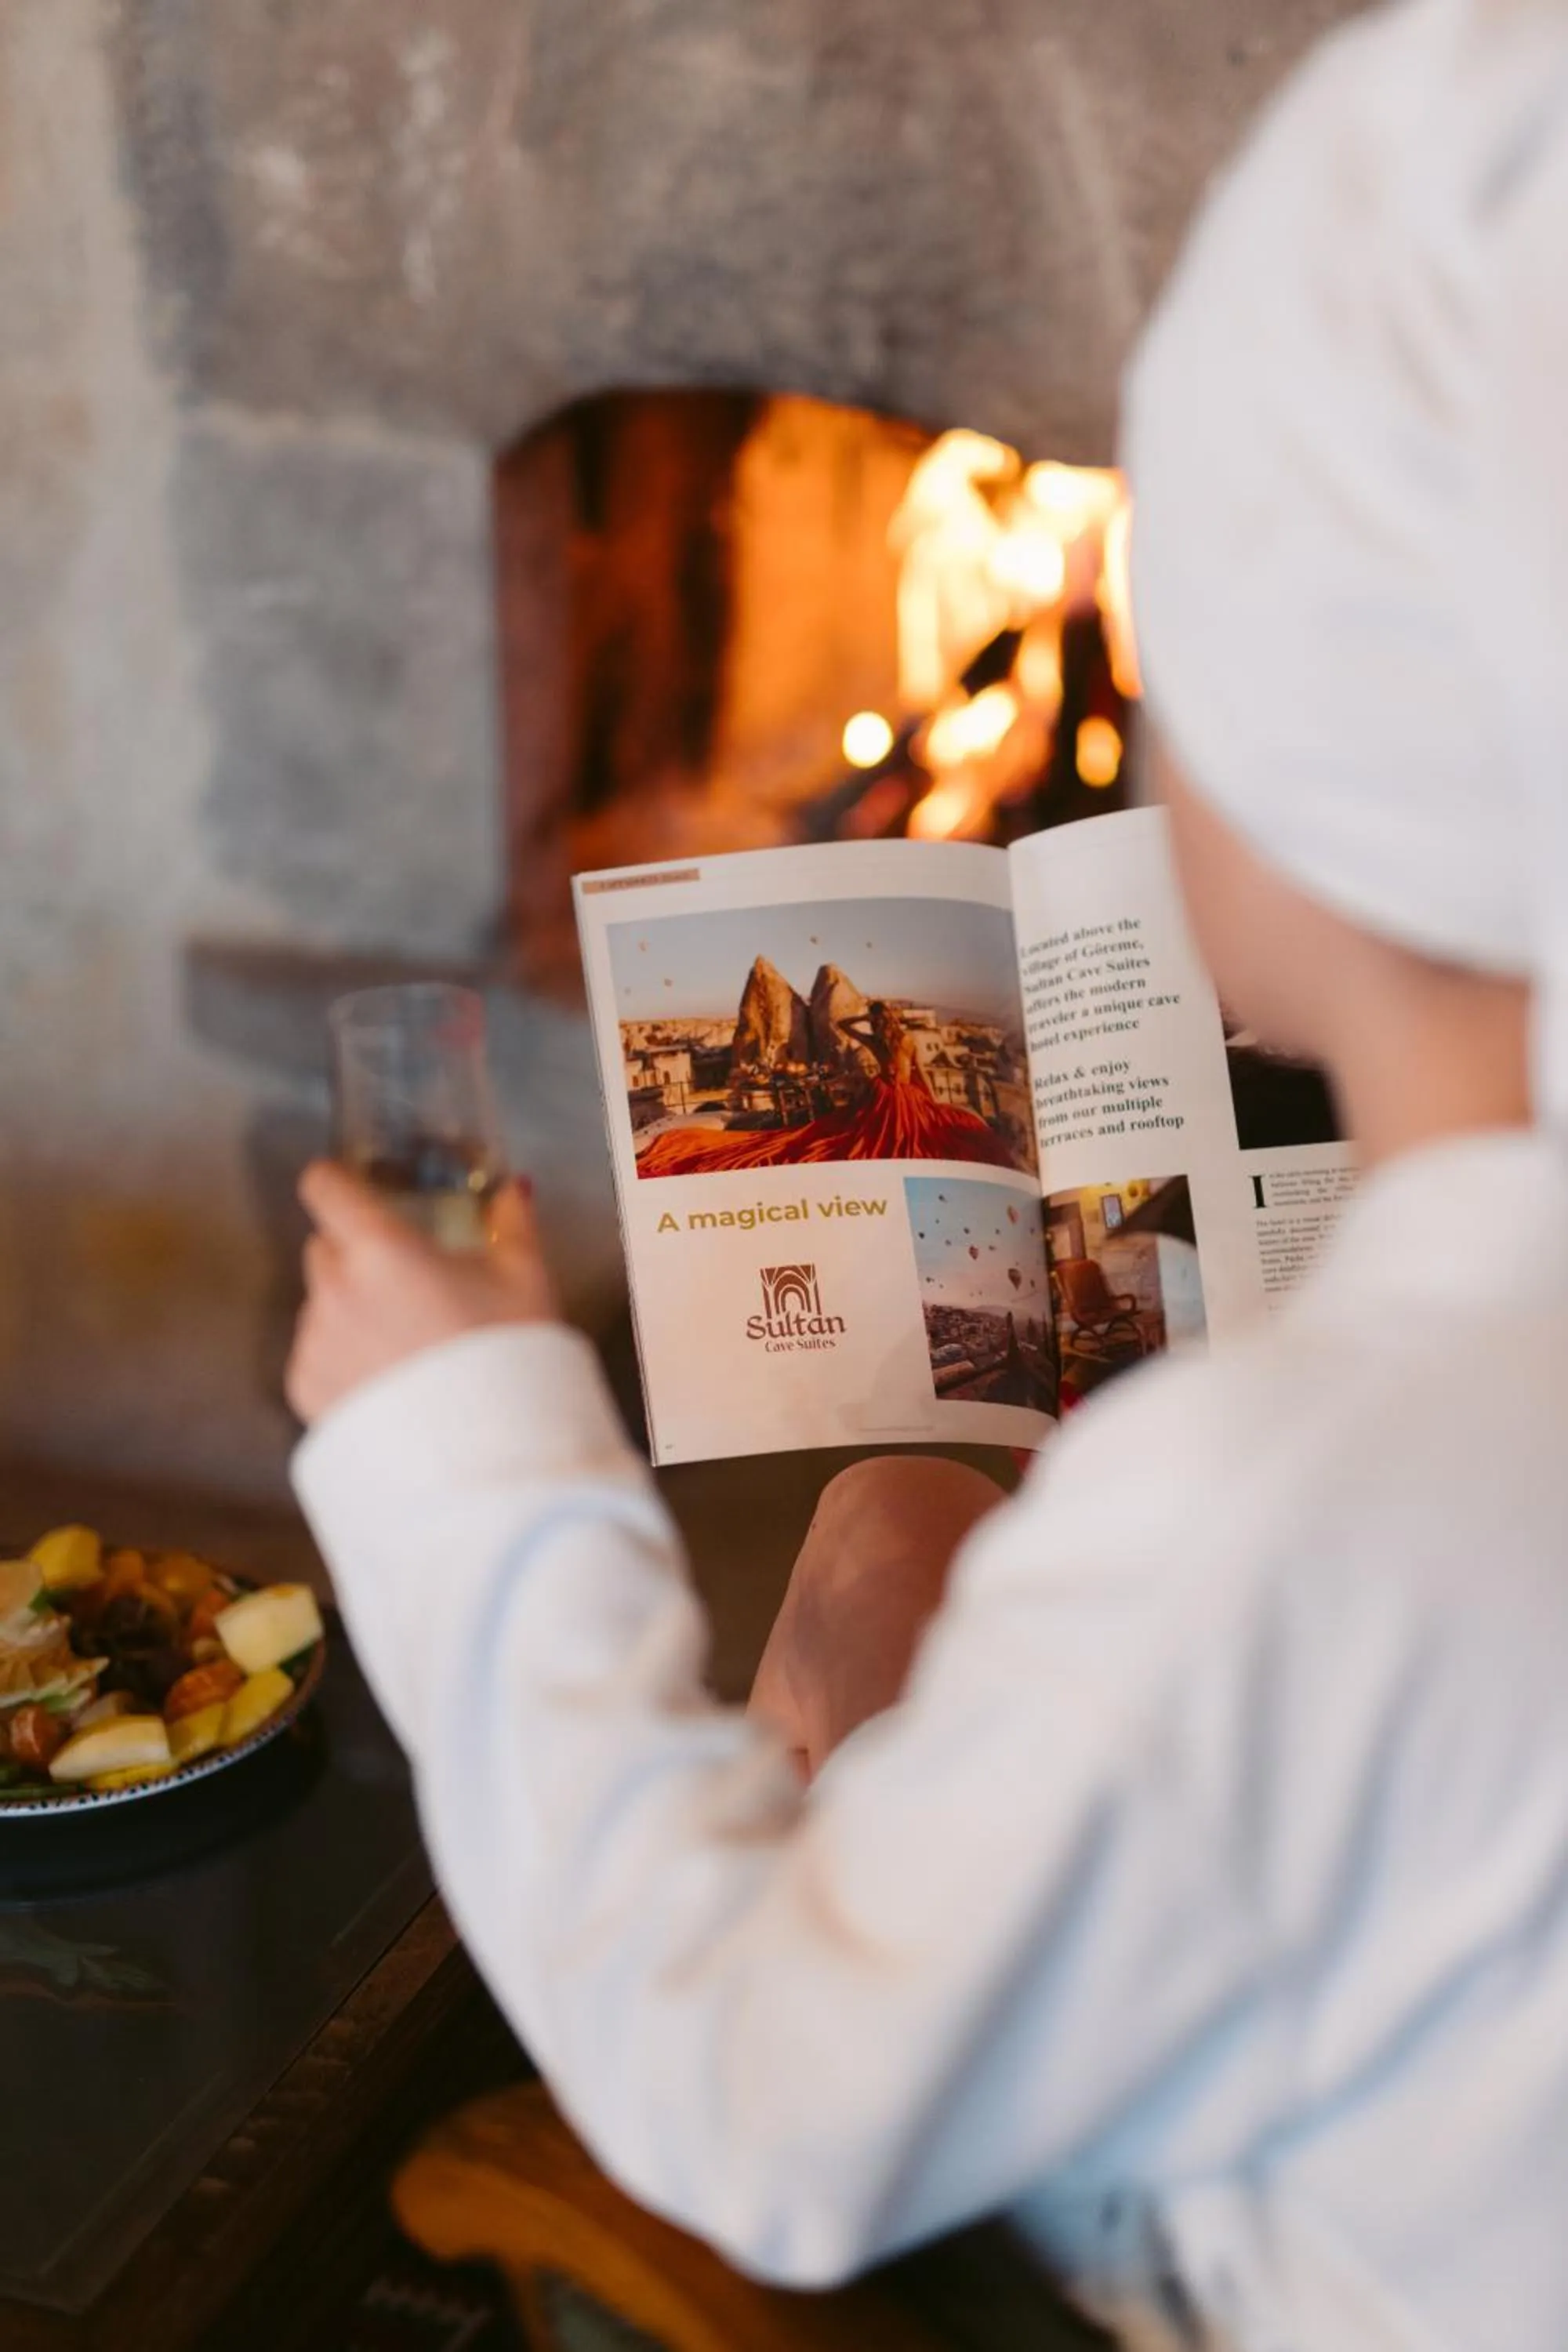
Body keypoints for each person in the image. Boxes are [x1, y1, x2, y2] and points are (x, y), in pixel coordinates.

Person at [287, 3, 1568, 2343]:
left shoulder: (1292, 1513)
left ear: (1319, 768)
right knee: (904, 1510)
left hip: (1218, 2276)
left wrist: (474, 1461)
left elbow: (763, 2113)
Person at [634, 996, 1018, 1177]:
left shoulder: (877, 1041)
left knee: (844, 1139)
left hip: (885, 1092)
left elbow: (846, 1029)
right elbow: (917, 1072)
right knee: (908, 1140)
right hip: (905, 1093)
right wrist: (926, 1100)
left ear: (876, 1022)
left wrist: (861, 1021)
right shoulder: (905, 1042)